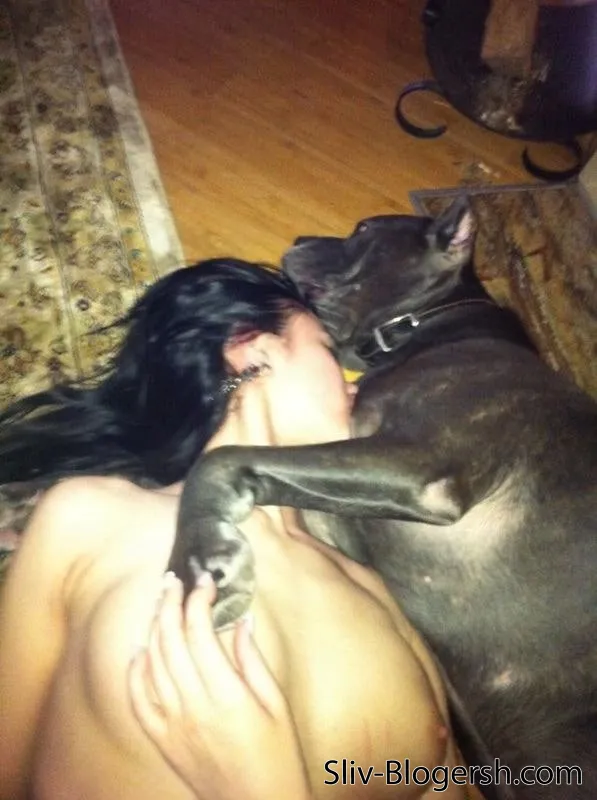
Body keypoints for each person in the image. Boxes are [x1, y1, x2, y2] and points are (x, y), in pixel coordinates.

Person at [0, 259, 472, 799]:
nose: (357, 383)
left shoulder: (370, 586)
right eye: (328, 351)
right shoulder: (85, 516)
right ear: (254, 348)